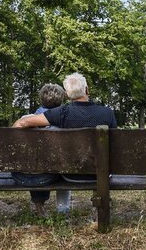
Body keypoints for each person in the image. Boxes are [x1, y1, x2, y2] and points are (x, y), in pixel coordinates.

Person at [12, 73, 117, 213]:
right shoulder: (107, 113)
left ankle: (52, 210)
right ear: (87, 90)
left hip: (70, 173)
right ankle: (97, 210)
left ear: (67, 94)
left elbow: (23, 122)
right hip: (101, 173)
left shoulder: (61, 112)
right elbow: (114, 145)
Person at [11, 83, 68, 217]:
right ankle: (63, 210)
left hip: (21, 177)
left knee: (33, 163)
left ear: (41, 99)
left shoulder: (24, 120)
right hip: (50, 176)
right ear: (61, 100)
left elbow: (9, 138)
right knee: (63, 167)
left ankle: (39, 207)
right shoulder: (65, 123)